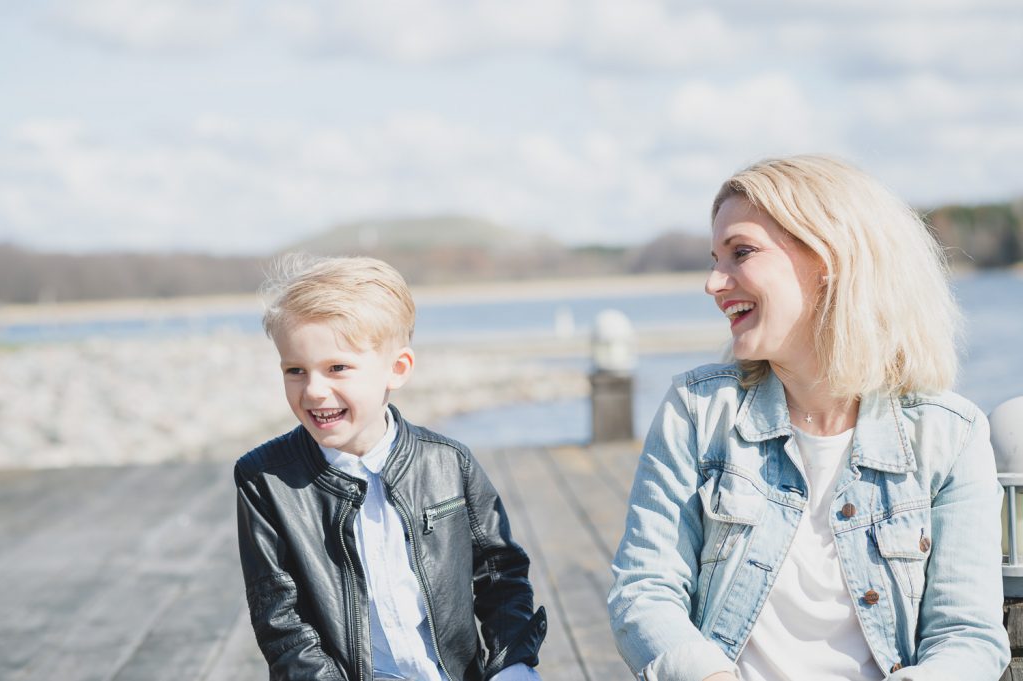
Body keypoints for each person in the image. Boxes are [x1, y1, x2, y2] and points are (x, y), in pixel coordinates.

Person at [607, 155, 1010, 681]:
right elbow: (644, 591)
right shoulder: (698, 411)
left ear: (829, 258)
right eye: (715, 258)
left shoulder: (950, 436)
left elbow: (967, 637)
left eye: (741, 253)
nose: (713, 283)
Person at [235, 255, 546, 681]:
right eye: (295, 371)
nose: (314, 391)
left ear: (396, 369)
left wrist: (511, 663)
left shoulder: (448, 464)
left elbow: (501, 575)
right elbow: (279, 618)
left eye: (337, 368)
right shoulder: (264, 480)